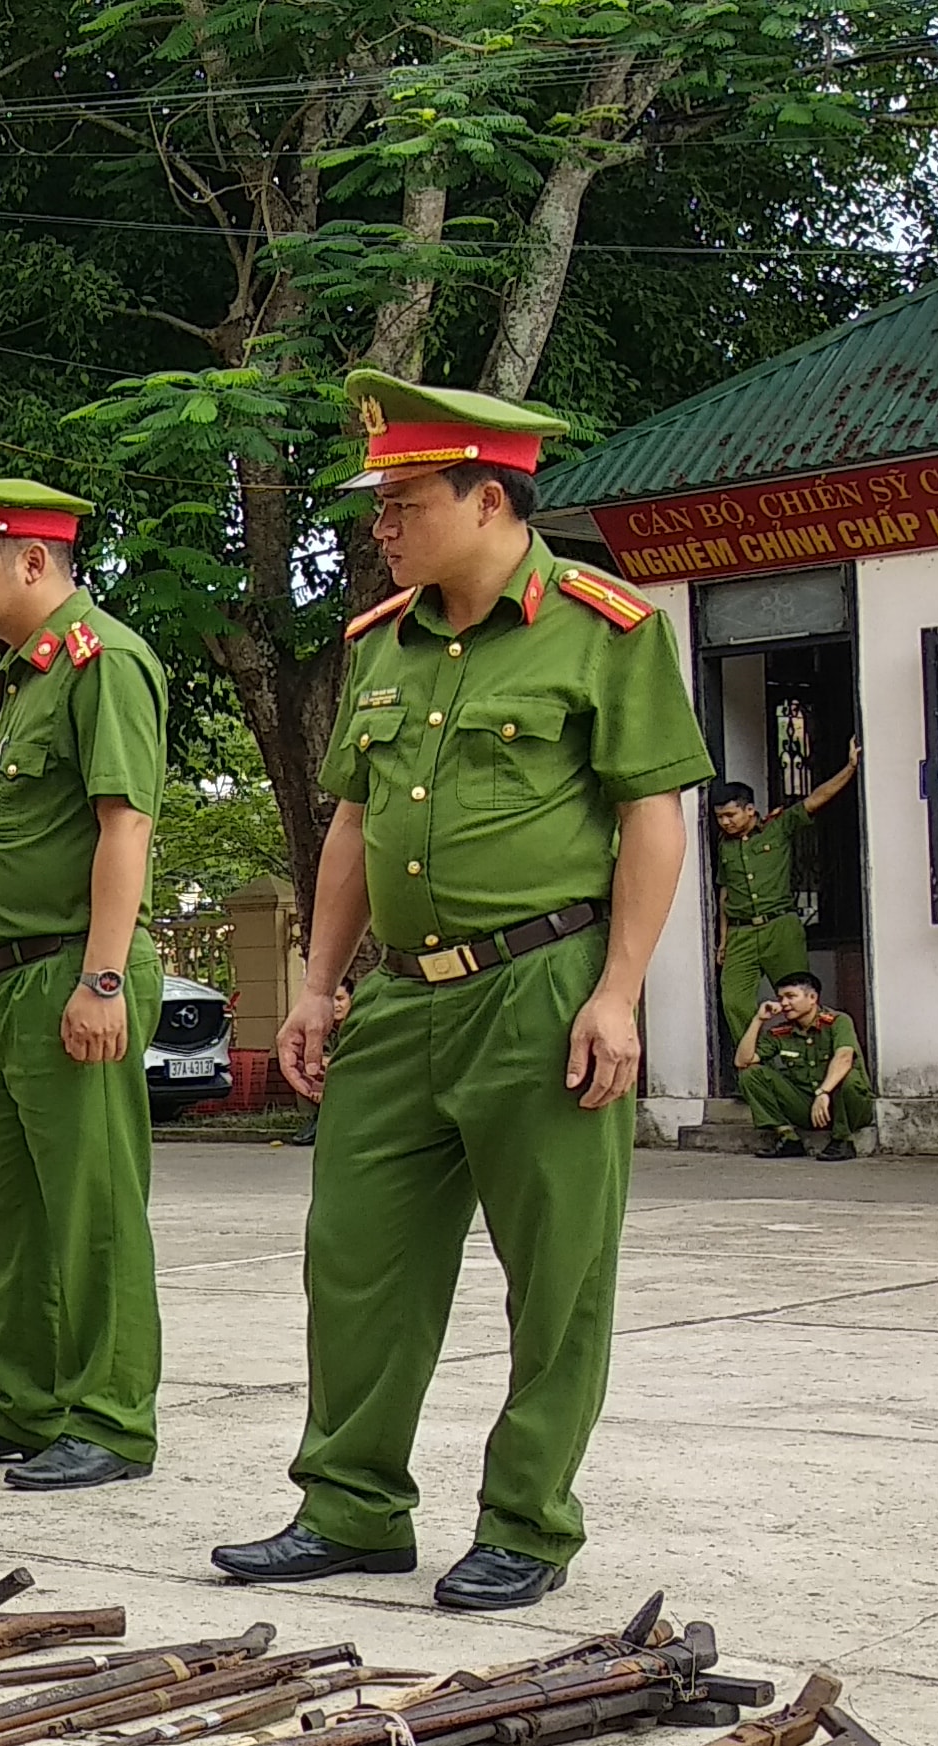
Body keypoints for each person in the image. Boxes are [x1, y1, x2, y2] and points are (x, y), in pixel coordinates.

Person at [216, 373, 714, 1614]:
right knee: (357, 1256)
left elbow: (655, 816)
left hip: (541, 989)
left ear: (487, 499)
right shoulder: (383, 641)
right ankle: (351, 1507)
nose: (378, 524)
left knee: (555, 1273)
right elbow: (350, 826)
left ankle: (528, 1523)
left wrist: (619, 992)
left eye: (401, 500)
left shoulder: (606, 629)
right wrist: (318, 984)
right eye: (378, 504)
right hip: (401, 1001)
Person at [0, 473, 169, 1496]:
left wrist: (102, 975)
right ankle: (22, 1400)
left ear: (35, 563)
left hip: (71, 972)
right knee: (6, 1208)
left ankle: (110, 1416)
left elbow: (122, 827)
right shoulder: (28, 678)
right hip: (8, 976)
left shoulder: (106, 664)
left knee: (91, 1207)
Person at [710, 739, 861, 1045]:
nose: (724, 823)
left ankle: (807, 1059)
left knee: (799, 1001)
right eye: (719, 817)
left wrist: (850, 768)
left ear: (749, 810)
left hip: (780, 927)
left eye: (730, 815)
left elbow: (817, 798)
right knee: (734, 1001)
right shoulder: (723, 846)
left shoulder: (778, 827)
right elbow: (725, 893)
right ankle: (756, 1062)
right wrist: (723, 940)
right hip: (740, 934)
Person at [736, 973, 873, 1160]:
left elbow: (844, 1058)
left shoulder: (838, 1021)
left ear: (812, 998)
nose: (784, 1003)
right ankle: (788, 1138)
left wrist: (823, 1093)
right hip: (808, 1108)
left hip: (849, 1107)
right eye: (780, 998)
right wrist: (758, 1020)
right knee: (750, 1073)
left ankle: (842, 1140)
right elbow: (742, 1061)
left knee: (848, 1078)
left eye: (791, 997)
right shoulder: (780, 1032)